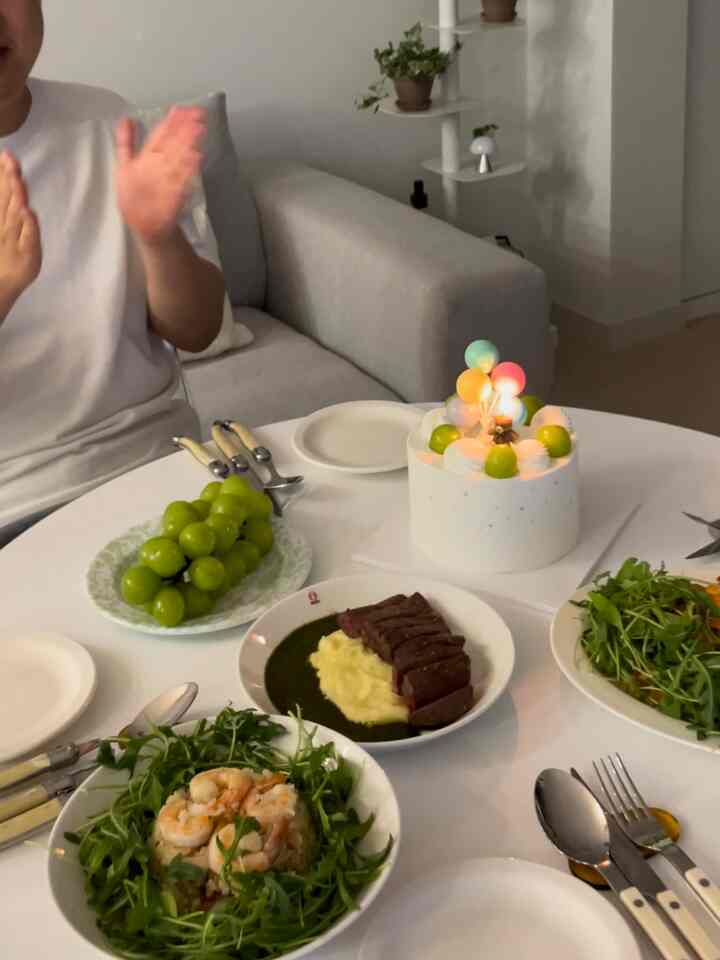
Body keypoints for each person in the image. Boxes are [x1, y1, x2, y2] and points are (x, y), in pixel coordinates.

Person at [0, 0, 225, 543]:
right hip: (14, 508)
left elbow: (199, 330)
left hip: (162, 467)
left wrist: (159, 239)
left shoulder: (107, 121)